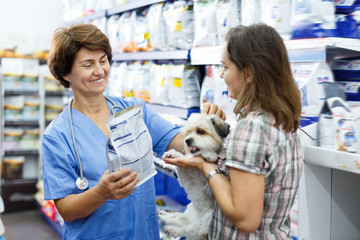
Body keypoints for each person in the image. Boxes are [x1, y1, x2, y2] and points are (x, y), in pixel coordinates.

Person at [42, 23, 225, 240]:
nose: (100, 71)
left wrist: (206, 128)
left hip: (143, 233)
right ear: (65, 73)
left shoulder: (134, 110)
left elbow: (181, 143)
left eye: (103, 60)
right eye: (88, 64)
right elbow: (67, 209)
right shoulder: (57, 136)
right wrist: (100, 193)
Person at [163, 23, 303, 239]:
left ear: (248, 73)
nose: (221, 76)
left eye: (225, 67)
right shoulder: (283, 119)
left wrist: (206, 166)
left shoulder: (251, 130)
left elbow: (245, 219)